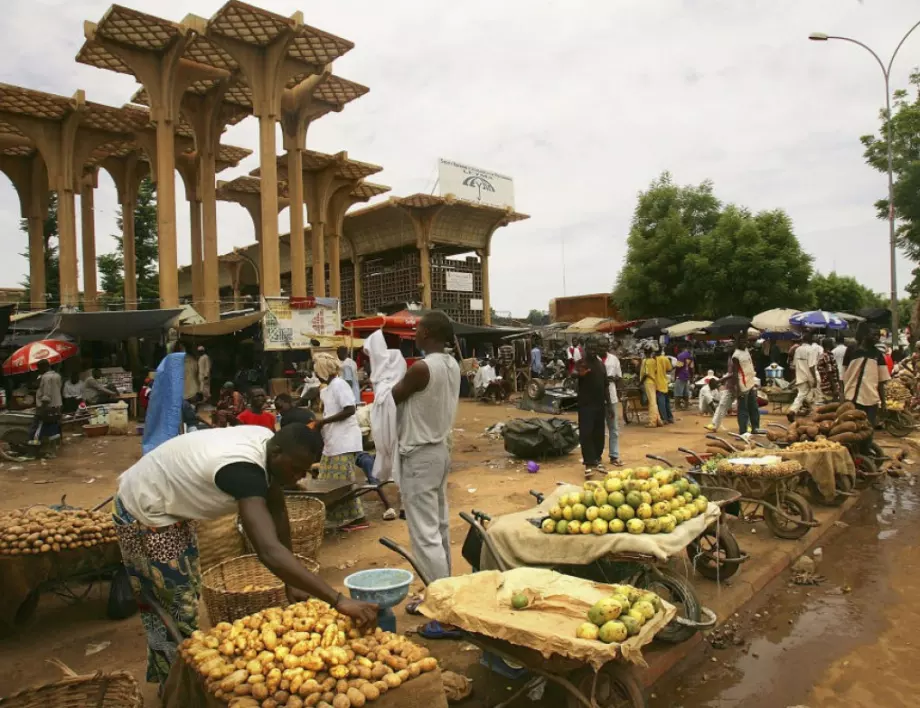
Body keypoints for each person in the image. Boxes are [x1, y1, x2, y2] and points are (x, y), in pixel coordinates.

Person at [113, 424, 378, 688]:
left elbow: (277, 510)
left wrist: (293, 580)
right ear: (276, 454)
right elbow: (267, 550)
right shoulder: (243, 470)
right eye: (295, 468)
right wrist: (337, 599)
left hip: (172, 507)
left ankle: (174, 675)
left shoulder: (269, 448)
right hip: (145, 508)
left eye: (304, 470)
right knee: (176, 605)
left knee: (187, 592)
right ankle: (177, 687)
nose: (298, 477)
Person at [391, 311, 460, 638]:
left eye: (418, 328)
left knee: (425, 533)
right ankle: (443, 594)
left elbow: (394, 395)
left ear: (429, 333)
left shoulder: (421, 368)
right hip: (439, 450)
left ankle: (444, 612)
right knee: (439, 524)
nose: (414, 332)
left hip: (421, 454)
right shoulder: (452, 364)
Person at [314, 355, 366, 530]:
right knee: (328, 479)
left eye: (317, 371)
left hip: (344, 440)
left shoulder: (339, 385)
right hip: (333, 441)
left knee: (341, 481)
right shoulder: (328, 388)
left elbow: (350, 409)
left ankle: (357, 518)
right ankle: (340, 517)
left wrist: (324, 422)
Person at [709, 335, 759, 434]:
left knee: (750, 407)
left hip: (745, 384)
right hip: (736, 385)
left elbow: (736, 373)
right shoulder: (734, 357)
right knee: (728, 406)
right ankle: (716, 425)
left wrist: (720, 380)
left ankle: (751, 427)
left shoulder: (745, 352)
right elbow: (734, 374)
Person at [842, 324, 890, 426]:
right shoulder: (851, 350)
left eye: (878, 335)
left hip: (871, 399)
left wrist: (883, 403)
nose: (877, 338)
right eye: (874, 335)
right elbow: (843, 375)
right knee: (851, 427)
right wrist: (841, 396)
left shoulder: (878, 355)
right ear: (865, 335)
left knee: (868, 428)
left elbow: (881, 381)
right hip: (851, 397)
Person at [29, 359, 62, 446]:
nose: (39, 370)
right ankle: (52, 448)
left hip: (46, 406)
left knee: (37, 427)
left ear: (44, 367)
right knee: (53, 428)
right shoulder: (57, 375)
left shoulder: (45, 377)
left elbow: (47, 394)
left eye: (39, 368)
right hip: (57, 405)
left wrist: (42, 408)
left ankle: (34, 448)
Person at [788, 332, 819, 421]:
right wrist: (815, 379)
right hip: (809, 375)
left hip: (800, 375)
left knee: (801, 395)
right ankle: (816, 414)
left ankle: (794, 410)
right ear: (811, 341)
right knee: (816, 395)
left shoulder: (798, 349)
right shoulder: (812, 350)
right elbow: (811, 366)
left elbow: (794, 364)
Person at [603, 340, 623, 467]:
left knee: (613, 428)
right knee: (598, 429)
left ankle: (614, 456)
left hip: (612, 396)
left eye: (604, 345)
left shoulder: (614, 359)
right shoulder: (594, 359)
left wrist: (613, 379)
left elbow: (619, 377)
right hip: (597, 398)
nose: (602, 348)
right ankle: (597, 457)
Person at [640, 345, 662, 428]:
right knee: (653, 401)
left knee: (652, 402)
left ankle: (652, 422)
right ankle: (658, 420)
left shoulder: (646, 361)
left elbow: (646, 373)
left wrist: (640, 382)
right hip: (654, 381)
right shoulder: (654, 360)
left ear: (645, 353)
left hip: (648, 382)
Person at [818, 337, 842, 402]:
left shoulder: (823, 355)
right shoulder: (827, 356)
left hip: (827, 384)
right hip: (829, 385)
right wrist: (834, 388)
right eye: (832, 343)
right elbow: (829, 372)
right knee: (832, 404)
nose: (834, 344)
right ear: (829, 345)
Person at [654, 347, 674, 424]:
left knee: (661, 402)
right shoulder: (665, 359)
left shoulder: (653, 360)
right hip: (664, 382)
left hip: (657, 384)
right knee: (666, 401)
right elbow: (669, 369)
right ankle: (670, 417)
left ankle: (664, 418)